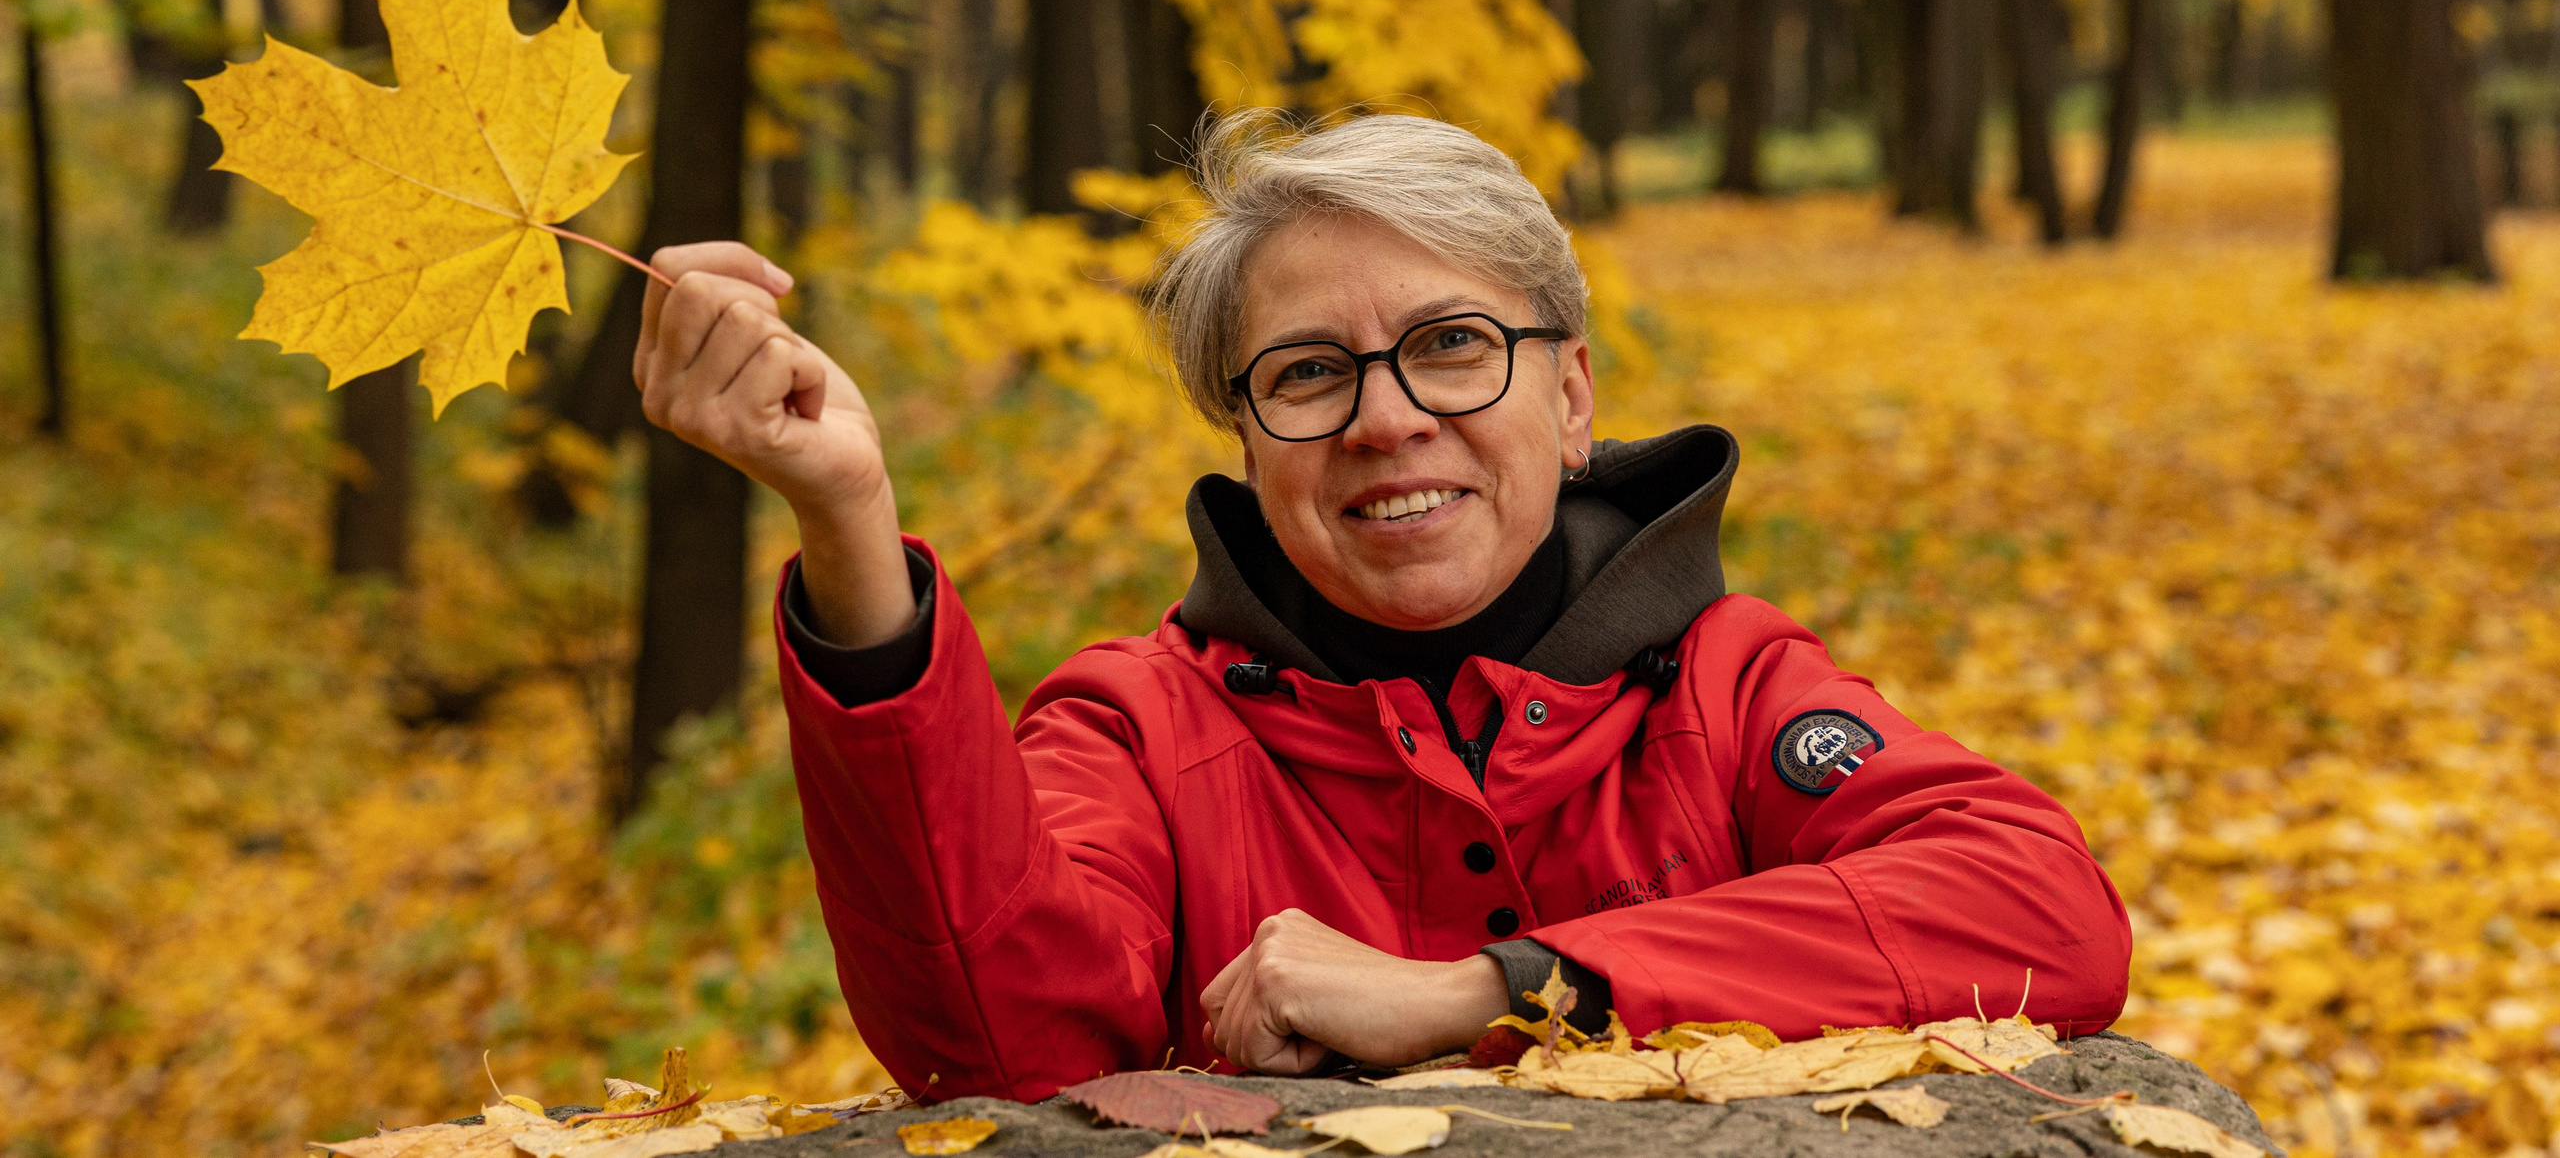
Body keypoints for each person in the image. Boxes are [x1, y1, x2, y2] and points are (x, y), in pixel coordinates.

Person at [632, 111, 2130, 1103]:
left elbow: (2037, 910)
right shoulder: (1139, 725)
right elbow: (998, 1041)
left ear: (1573, 393)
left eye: (1453, 344)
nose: (1387, 419)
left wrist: (1498, 991)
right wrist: (848, 517)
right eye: (1308, 373)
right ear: (1245, 433)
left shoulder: (1727, 686)